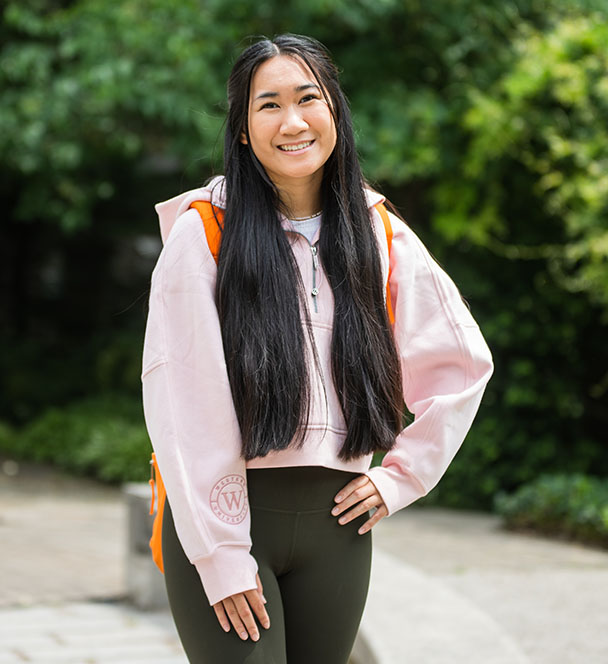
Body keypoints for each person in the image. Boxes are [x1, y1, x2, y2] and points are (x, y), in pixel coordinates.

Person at [141, 33, 493, 664]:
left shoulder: (380, 233)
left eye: (308, 98)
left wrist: (401, 478)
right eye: (268, 104)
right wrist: (222, 555)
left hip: (340, 526)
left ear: (335, 111)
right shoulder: (204, 234)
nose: (292, 121)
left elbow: (462, 364)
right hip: (230, 522)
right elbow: (183, 402)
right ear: (243, 129)